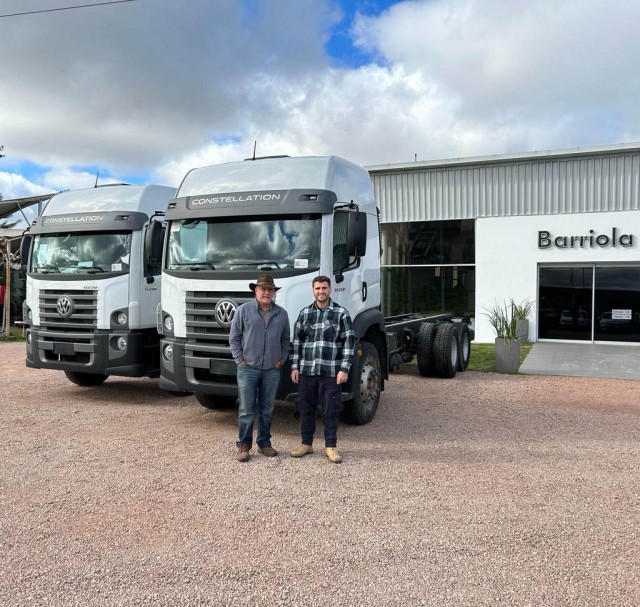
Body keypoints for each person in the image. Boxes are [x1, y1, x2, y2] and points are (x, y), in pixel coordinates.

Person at [290, 275, 355, 463]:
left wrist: (344, 369)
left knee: (331, 410)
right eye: (317, 288)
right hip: (307, 372)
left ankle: (330, 446)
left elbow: (349, 344)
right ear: (313, 291)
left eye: (324, 288)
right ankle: (306, 444)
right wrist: (295, 366)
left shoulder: (341, 313)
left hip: (331, 372)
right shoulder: (304, 314)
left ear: (330, 290)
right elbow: (297, 344)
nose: (321, 291)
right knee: (305, 408)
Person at [229, 274, 290, 462]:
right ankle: (244, 446)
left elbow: (285, 340)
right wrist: (240, 359)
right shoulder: (243, 311)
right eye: (263, 289)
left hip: (272, 369)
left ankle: (264, 443)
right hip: (248, 368)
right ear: (255, 291)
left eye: (269, 289)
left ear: (273, 292)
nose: (266, 292)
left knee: (267, 409)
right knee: (246, 409)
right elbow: (234, 338)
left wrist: (281, 359)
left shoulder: (281, 313)